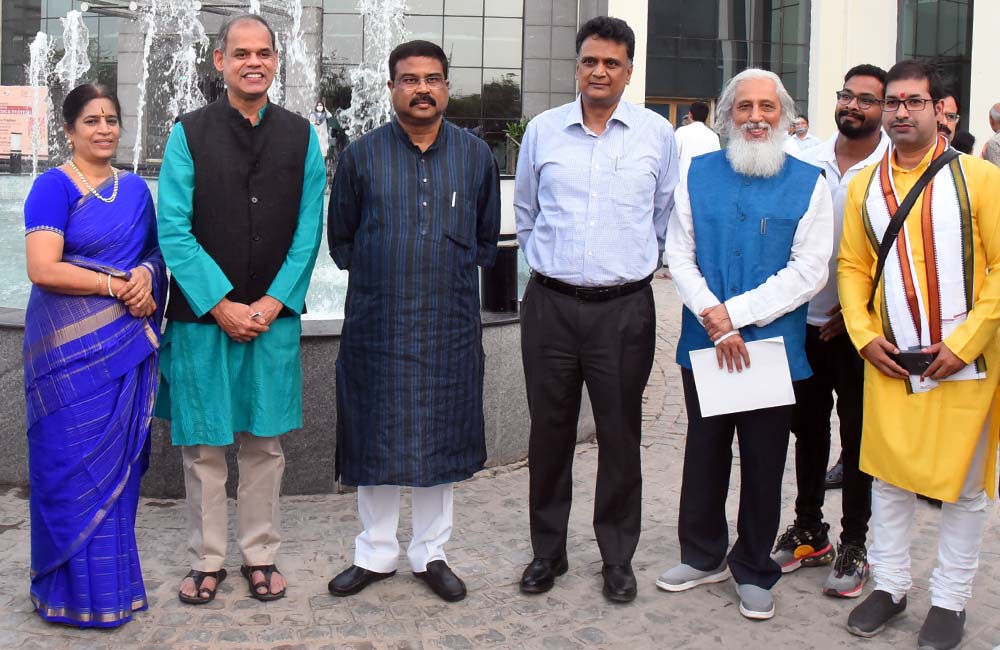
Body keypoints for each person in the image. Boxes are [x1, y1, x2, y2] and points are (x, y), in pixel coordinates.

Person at [156, 13, 326, 605]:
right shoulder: (188, 133)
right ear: (219, 62)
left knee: (264, 444)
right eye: (241, 53)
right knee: (203, 448)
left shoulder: (303, 137)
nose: (254, 62)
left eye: (265, 53)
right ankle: (206, 559)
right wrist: (222, 303)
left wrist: (274, 300)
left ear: (277, 61)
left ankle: (260, 554)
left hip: (271, 321)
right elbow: (173, 230)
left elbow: (310, 229)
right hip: (204, 321)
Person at [326, 40, 500, 603]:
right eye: (409, 79)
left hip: (447, 322)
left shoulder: (475, 156)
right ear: (392, 87)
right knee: (375, 434)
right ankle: (374, 553)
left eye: (432, 78)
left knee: (439, 438)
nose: (421, 88)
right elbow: (342, 241)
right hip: (379, 321)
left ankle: (431, 552)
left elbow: (483, 239)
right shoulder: (360, 156)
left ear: (447, 86)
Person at [658, 68, 833, 621]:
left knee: (762, 461)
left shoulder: (811, 181)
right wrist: (714, 318)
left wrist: (732, 315)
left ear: (784, 114)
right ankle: (703, 553)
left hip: (770, 347)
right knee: (705, 453)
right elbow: (679, 253)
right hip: (706, 342)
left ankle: (755, 567)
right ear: (727, 114)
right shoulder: (698, 172)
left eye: (768, 107)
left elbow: (809, 271)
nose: (756, 117)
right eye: (744, 107)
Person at [513, 16, 677, 604]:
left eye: (611, 62)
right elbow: (527, 211)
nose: (599, 71)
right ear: (577, 66)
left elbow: (662, 217)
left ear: (629, 71)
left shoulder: (657, 136)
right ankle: (547, 552)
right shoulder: (543, 130)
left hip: (624, 311)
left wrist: (624, 267)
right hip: (551, 307)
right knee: (549, 433)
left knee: (620, 434)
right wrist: (550, 267)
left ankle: (616, 557)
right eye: (590, 61)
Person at [839, 60, 1000, 650]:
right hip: (890, 359)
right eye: (894, 103)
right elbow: (853, 266)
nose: (902, 112)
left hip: (966, 365)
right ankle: (890, 585)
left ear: (939, 110)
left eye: (914, 102)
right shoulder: (863, 184)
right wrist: (862, 334)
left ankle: (951, 601)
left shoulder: (981, 178)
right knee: (888, 479)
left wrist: (963, 345)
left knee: (962, 490)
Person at [22, 83, 166, 627]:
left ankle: (109, 590)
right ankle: (61, 590)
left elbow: (154, 254)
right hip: (65, 354)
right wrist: (116, 286)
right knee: (67, 464)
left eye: (111, 119)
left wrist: (147, 278)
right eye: (91, 121)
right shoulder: (51, 187)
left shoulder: (135, 192)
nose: (104, 129)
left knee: (117, 472)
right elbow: (43, 268)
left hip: (123, 351)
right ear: (69, 129)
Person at [769, 64, 888, 598]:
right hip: (805, 322)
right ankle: (810, 529)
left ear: (884, 109)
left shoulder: (894, 168)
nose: (853, 105)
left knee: (859, 439)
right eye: (847, 95)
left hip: (862, 332)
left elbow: (901, 256)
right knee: (808, 431)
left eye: (867, 99)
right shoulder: (805, 157)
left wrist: (859, 311)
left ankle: (855, 541)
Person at [674, 100, 721, 178]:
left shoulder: (681, 132)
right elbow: (716, 163)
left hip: (683, 183)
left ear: (690, 115)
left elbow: (673, 158)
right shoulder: (713, 136)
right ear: (706, 116)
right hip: (705, 182)